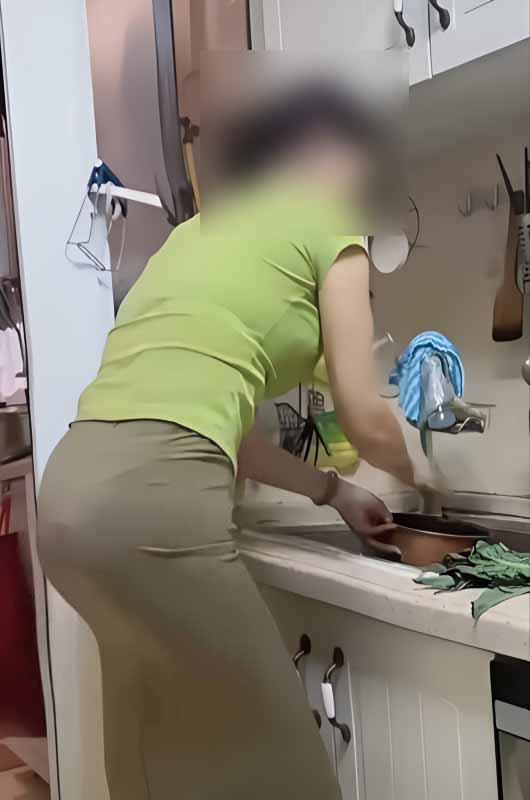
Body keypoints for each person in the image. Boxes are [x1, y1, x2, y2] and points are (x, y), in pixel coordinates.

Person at [38, 83, 438, 799]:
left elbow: (230, 439)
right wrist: (425, 480)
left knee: (150, 756)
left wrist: (335, 491)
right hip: (155, 506)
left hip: (67, 501)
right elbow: (364, 411)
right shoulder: (333, 226)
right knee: (290, 772)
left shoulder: (199, 235)